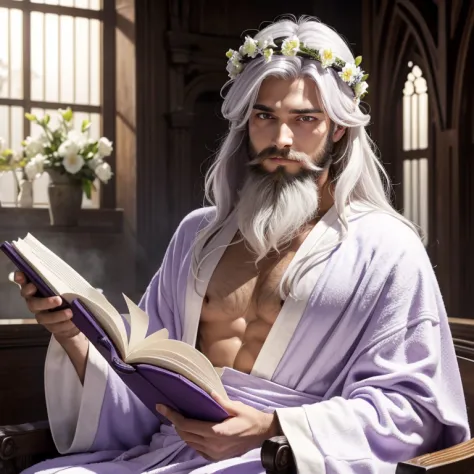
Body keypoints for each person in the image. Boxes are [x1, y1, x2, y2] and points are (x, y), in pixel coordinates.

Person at [15, 15, 469, 474]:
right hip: (171, 451)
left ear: (338, 128)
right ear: (245, 121)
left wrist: (274, 425)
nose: (281, 138)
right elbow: (143, 378)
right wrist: (71, 333)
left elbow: (413, 409)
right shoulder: (199, 234)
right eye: (265, 116)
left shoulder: (387, 248)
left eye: (304, 119)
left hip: (287, 459)